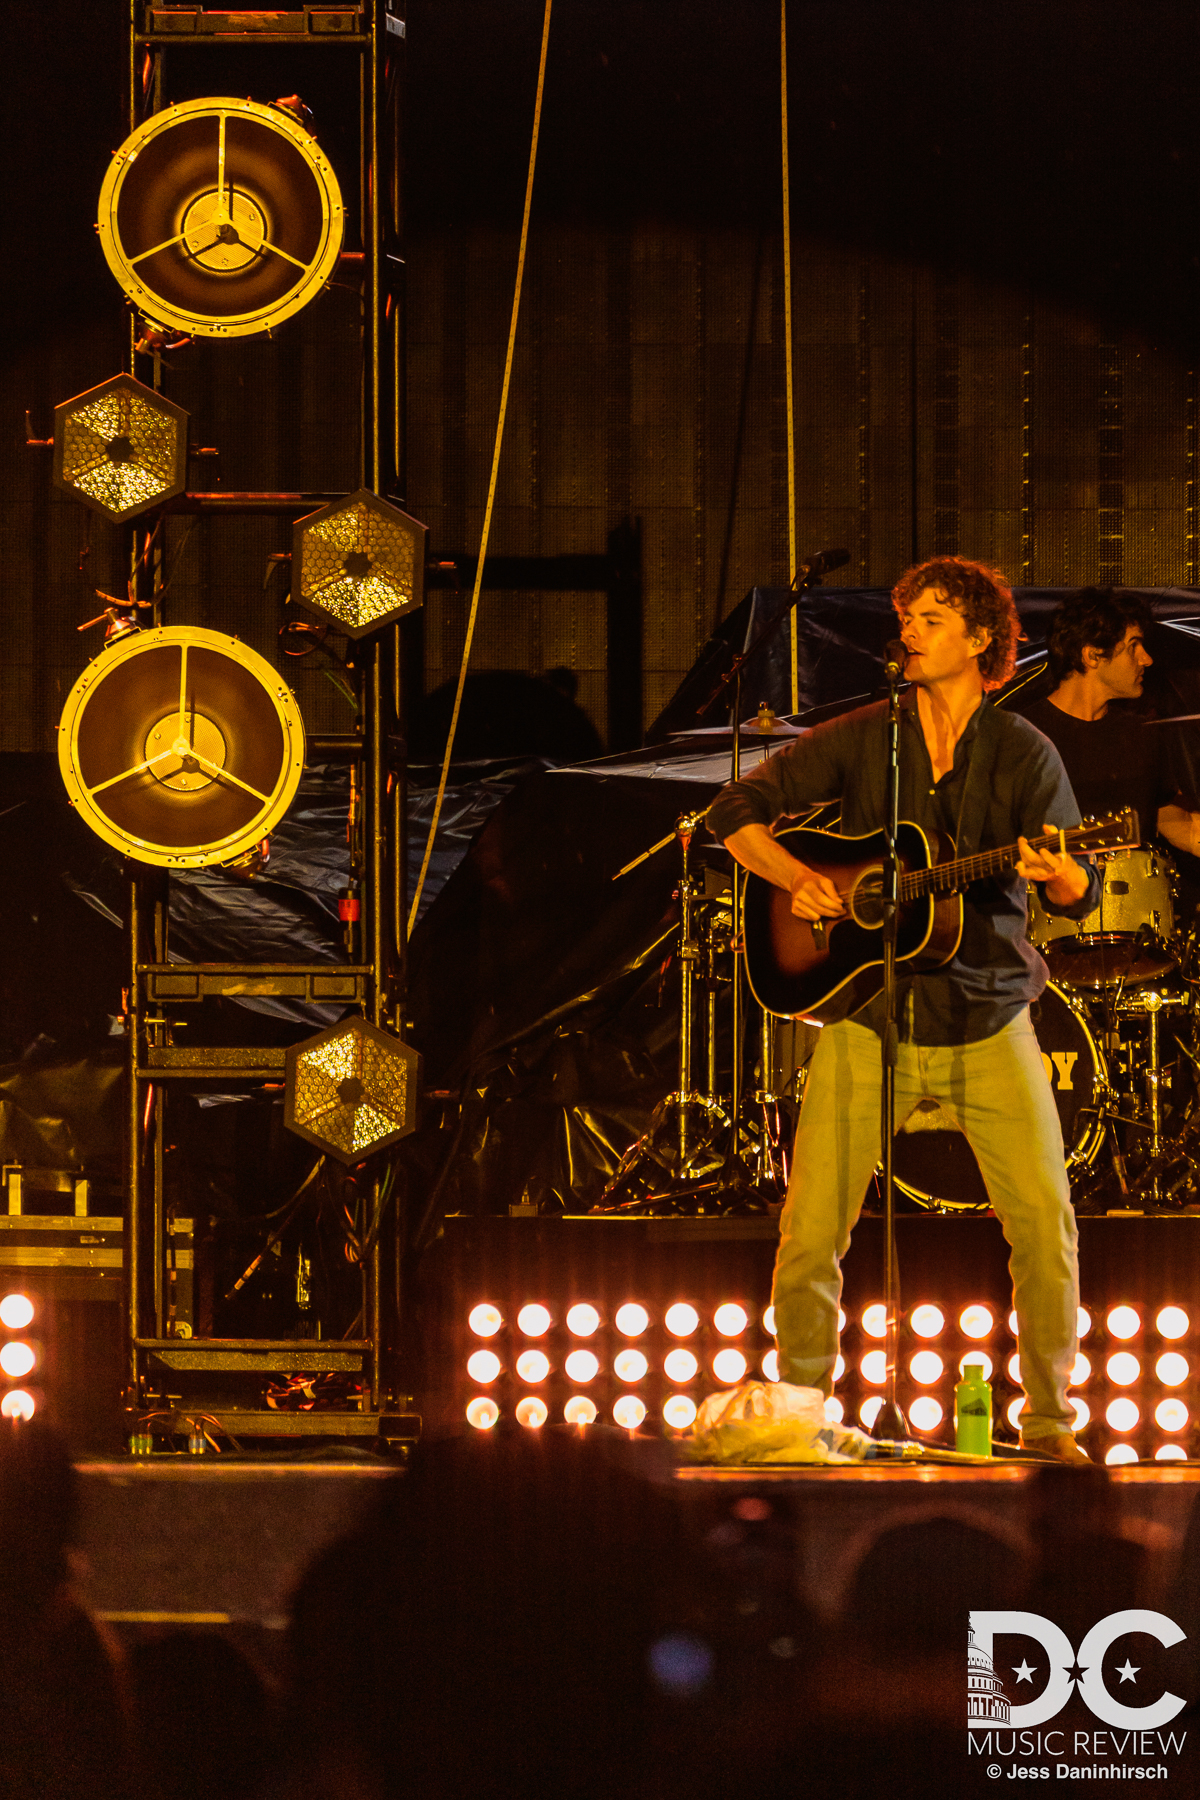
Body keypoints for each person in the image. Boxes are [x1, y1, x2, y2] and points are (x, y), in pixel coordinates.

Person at [707, 556, 1102, 1464]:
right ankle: (801, 1408)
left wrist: (1060, 873)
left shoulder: (1023, 752)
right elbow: (736, 809)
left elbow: (1078, 887)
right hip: (868, 1017)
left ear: (980, 639)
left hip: (988, 1016)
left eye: (931, 619)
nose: (910, 632)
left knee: (1046, 1228)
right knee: (811, 1231)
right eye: (908, 617)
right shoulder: (866, 737)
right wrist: (797, 878)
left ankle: (1049, 1424)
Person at [1011, 586, 1200, 855]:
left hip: (1132, 883)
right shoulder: (1020, 739)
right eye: (1133, 647)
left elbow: (1177, 823)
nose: (1147, 659)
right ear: (1092, 655)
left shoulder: (1142, 734)